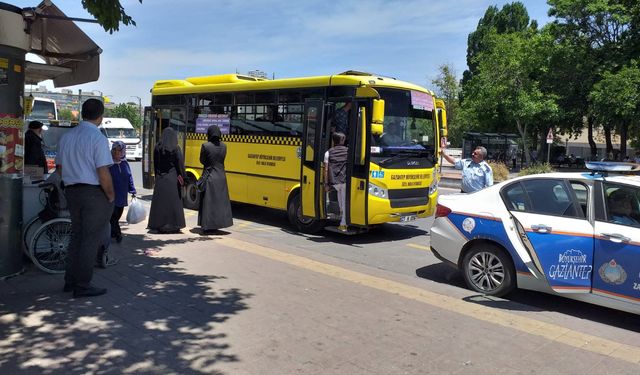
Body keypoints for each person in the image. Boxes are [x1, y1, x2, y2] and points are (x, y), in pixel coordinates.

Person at [56, 98, 114, 298]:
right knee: (90, 239)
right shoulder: (97, 138)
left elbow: (59, 168)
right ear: (100, 116)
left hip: (72, 192)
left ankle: (70, 281)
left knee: (77, 236)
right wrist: (110, 195)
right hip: (92, 193)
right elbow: (103, 172)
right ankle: (83, 284)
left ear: (82, 113)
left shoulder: (67, 136)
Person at [147, 127, 186, 233]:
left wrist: (157, 176)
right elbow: (180, 165)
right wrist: (183, 177)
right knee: (173, 204)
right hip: (173, 179)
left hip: (161, 178)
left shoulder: (157, 147)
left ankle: (159, 224)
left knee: (161, 204)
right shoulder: (176, 148)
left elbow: (155, 163)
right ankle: (174, 225)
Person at [198, 125, 233, 233]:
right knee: (219, 203)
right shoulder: (224, 146)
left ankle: (208, 226)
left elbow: (202, 161)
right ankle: (218, 224)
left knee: (208, 203)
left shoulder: (205, 146)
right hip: (221, 177)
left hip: (210, 177)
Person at [108, 141, 137, 243]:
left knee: (117, 215)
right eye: (115, 150)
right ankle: (118, 234)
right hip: (111, 194)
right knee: (113, 216)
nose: (117, 153)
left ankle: (112, 232)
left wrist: (133, 190)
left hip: (122, 195)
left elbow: (129, 177)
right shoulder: (108, 164)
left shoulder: (125, 163)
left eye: (120, 150)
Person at [324, 132, 348, 232]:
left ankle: (342, 220)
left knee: (340, 199)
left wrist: (326, 184)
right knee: (344, 200)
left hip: (335, 181)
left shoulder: (328, 153)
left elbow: (325, 169)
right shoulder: (348, 151)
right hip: (345, 180)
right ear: (343, 141)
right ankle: (343, 223)